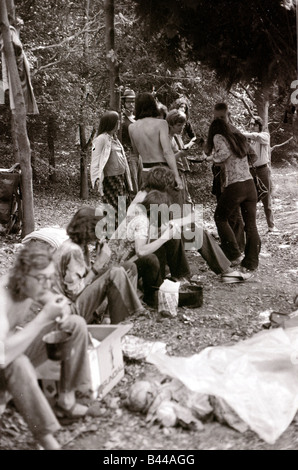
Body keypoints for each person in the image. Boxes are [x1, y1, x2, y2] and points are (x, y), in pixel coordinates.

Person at [0, 244, 93, 450]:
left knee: (75, 324)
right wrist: (43, 318)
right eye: (41, 279)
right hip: (5, 360)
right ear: (22, 275)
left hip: (8, 357)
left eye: (50, 278)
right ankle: (47, 440)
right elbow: (3, 355)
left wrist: (62, 308)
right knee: (19, 363)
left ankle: (66, 401)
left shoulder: (31, 285)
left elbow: (53, 299)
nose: (46, 284)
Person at [114, 166, 254, 284]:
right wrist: (177, 224)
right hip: (136, 254)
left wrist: (177, 223)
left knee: (195, 232)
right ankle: (181, 277)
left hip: (149, 243)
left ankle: (225, 271)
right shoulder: (142, 201)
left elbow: (166, 224)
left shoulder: (152, 195)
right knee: (176, 234)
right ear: (162, 185)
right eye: (168, 186)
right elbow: (147, 235)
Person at [54, 207, 146, 324]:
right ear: (89, 229)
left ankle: (110, 317)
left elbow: (84, 278)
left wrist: (98, 259)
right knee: (115, 272)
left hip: (76, 299)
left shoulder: (81, 246)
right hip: (69, 308)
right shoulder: (73, 250)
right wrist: (98, 264)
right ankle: (118, 323)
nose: (103, 233)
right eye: (100, 229)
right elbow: (74, 292)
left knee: (128, 266)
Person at [109, 189, 190, 307]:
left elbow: (146, 237)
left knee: (165, 242)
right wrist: (165, 237)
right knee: (150, 258)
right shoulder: (142, 221)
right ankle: (153, 296)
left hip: (121, 264)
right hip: (117, 270)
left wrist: (166, 232)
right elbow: (141, 251)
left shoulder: (139, 215)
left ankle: (178, 279)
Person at [206, 118, 261, 272]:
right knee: (251, 225)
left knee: (220, 217)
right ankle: (251, 263)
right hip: (249, 184)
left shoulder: (218, 136)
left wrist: (209, 158)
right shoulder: (238, 138)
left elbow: (223, 154)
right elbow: (253, 156)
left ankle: (234, 254)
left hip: (235, 185)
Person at [205, 102, 245, 254]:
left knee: (233, 213)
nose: (219, 120)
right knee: (225, 213)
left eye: (222, 117)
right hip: (219, 177)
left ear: (229, 116)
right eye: (216, 117)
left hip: (232, 179)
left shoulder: (235, 132)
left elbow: (250, 155)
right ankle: (229, 245)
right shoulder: (217, 132)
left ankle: (237, 247)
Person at [128, 92, 183, 190]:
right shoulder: (161, 124)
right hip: (161, 170)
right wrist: (176, 176)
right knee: (162, 204)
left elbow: (136, 153)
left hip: (145, 171)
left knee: (150, 203)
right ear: (153, 105)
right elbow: (167, 151)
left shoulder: (132, 127)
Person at [90, 110, 133, 228]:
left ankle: (119, 236)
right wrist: (96, 178)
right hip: (110, 180)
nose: (119, 123)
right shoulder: (101, 139)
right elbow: (95, 160)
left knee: (122, 208)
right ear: (111, 123)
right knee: (111, 209)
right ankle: (109, 237)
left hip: (121, 179)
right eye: (117, 121)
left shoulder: (115, 139)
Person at [242, 116, 278, 233]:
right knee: (250, 199)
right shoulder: (248, 138)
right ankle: (251, 228)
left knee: (266, 198)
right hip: (250, 170)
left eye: (255, 124)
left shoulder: (264, 135)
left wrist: (243, 133)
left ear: (260, 126)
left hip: (263, 170)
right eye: (251, 124)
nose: (252, 126)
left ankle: (271, 226)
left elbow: (256, 136)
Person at [166, 109, 195, 205]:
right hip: (172, 174)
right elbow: (165, 159)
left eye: (183, 125)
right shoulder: (166, 139)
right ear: (170, 125)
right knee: (177, 204)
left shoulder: (175, 136)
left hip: (179, 172)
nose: (181, 128)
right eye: (178, 125)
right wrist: (180, 154)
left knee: (185, 201)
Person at [120, 88, 143, 195]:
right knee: (131, 185)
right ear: (124, 102)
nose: (131, 104)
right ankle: (127, 209)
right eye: (128, 101)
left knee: (140, 183)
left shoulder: (137, 118)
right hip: (128, 154)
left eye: (133, 101)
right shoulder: (121, 119)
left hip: (139, 154)